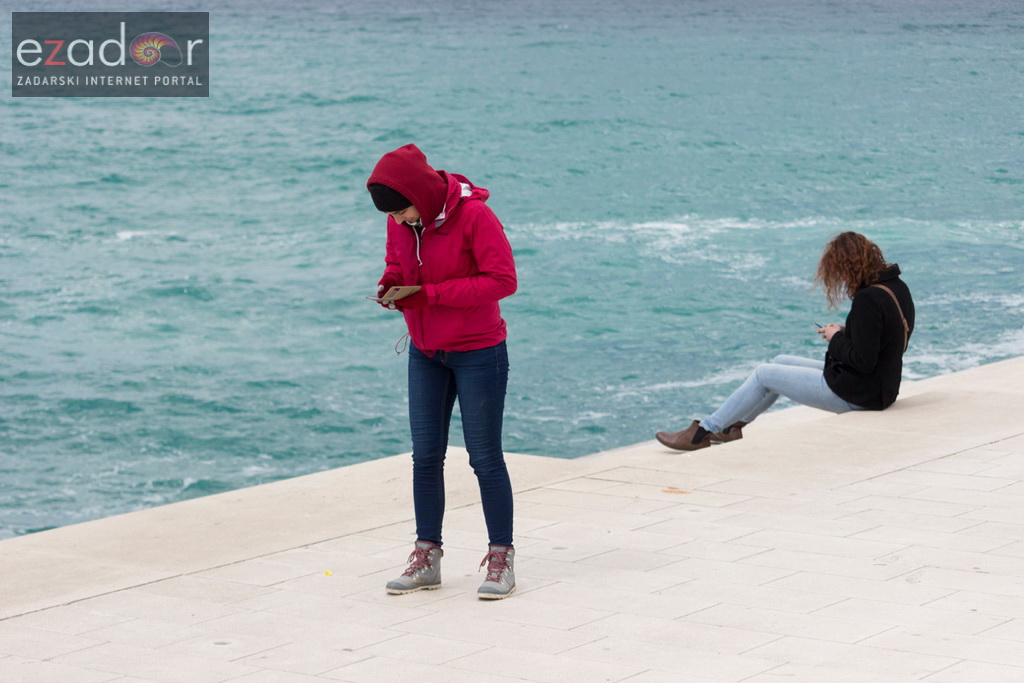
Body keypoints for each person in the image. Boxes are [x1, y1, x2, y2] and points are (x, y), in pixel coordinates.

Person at [366, 143, 518, 599]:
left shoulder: (475, 218)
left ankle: (500, 558)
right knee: (425, 456)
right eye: (391, 216)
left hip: (478, 351)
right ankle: (426, 554)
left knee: (484, 458)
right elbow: (398, 261)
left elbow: (503, 280)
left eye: (402, 210)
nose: (396, 221)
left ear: (422, 195)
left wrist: (428, 295)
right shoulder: (399, 221)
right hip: (426, 352)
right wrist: (393, 284)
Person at [656, 231, 914, 450]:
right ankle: (731, 427)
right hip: (881, 386)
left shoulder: (868, 299)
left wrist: (835, 338)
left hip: (860, 394)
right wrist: (849, 331)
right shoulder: (894, 287)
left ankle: (704, 432)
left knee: (763, 375)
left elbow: (863, 361)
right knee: (780, 361)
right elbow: (886, 339)